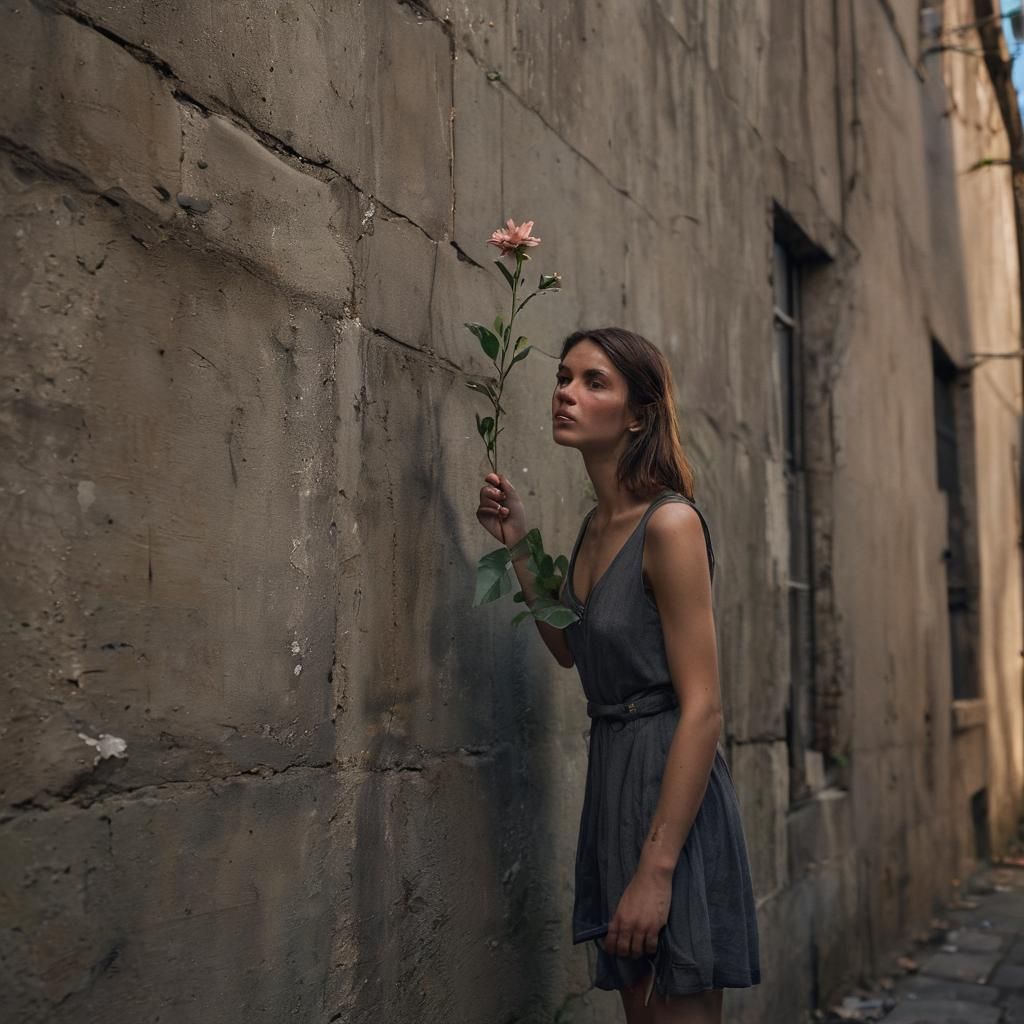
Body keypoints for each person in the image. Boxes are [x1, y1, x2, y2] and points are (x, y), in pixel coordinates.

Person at [476, 328, 761, 1022]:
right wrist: (519, 543)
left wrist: (657, 871)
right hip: (613, 780)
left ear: (638, 413)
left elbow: (704, 710)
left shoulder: (669, 526)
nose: (566, 393)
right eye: (563, 378)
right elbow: (571, 649)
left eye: (593, 381)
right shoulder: (595, 527)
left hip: (669, 785)